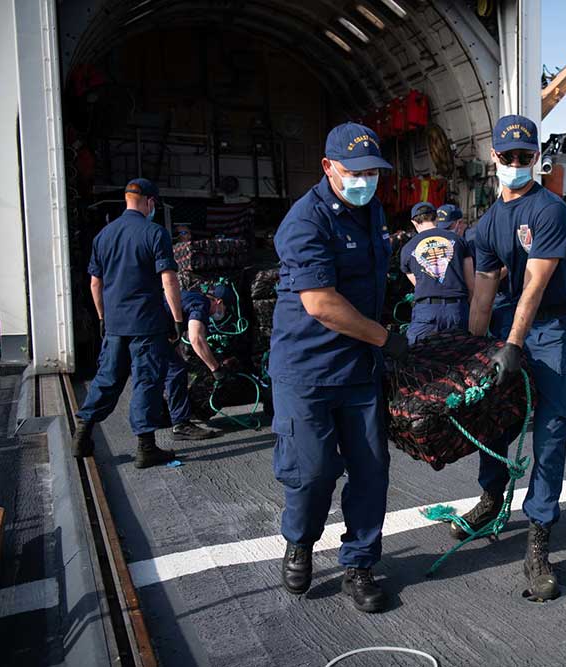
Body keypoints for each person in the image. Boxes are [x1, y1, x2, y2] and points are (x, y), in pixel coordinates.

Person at [269, 122, 407, 612]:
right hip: (306, 369)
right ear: (328, 168)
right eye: (355, 172)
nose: (365, 181)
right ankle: (300, 541)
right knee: (312, 471)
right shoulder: (305, 223)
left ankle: (359, 563)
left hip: (358, 368)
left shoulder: (371, 213)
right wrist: (388, 340)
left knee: (371, 470)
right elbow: (322, 304)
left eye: (373, 173)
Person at [458, 114, 566, 601]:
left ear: (536, 158)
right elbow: (484, 292)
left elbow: (535, 282)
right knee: (493, 418)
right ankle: (492, 500)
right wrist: (472, 350)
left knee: (552, 431)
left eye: (525, 157)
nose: (516, 164)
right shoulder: (488, 224)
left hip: (553, 329)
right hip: (512, 324)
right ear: (494, 157)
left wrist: (513, 344)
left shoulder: (551, 211)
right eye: (508, 156)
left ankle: (539, 537)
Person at [73, 178, 185, 469]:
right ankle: (146, 448)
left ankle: (83, 431)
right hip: (146, 324)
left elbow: (95, 283)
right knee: (147, 381)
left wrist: (101, 317)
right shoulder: (155, 233)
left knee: (108, 378)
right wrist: (177, 318)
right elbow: (168, 278)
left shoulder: (103, 236)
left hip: (114, 324)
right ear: (149, 202)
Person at [162, 285, 237, 440]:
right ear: (218, 301)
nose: (222, 313)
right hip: (150, 329)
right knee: (175, 372)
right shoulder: (201, 304)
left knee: (169, 371)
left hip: (145, 324)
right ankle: (180, 424)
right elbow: (196, 339)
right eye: (224, 307)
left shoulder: (189, 298)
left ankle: (166, 417)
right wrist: (216, 369)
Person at [400, 202, 474, 344]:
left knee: (419, 359)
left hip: (426, 312)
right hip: (457, 309)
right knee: (459, 361)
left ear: (414, 222)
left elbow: (419, 283)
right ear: (436, 218)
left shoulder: (407, 248)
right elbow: (472, 286)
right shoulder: (459, 241)